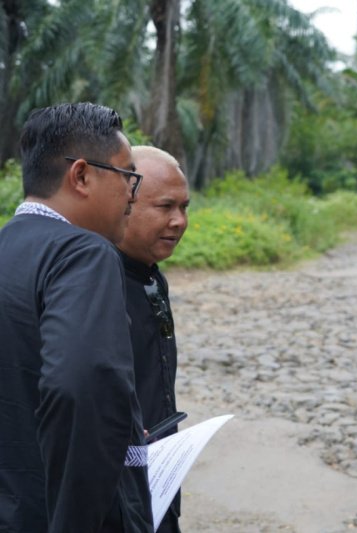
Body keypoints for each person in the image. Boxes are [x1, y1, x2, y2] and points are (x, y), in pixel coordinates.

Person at [0, 103, 153, 531]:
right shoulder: (82, 253)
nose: (133, 195)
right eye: (128, 176)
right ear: (82, 175)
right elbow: (83, 386)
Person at [117, 146, 190, 533]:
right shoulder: (93, 283)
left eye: (184, 207)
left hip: (161, 470)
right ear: (122, 204)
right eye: (165, 207)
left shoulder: (150, 274)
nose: (178, 221)